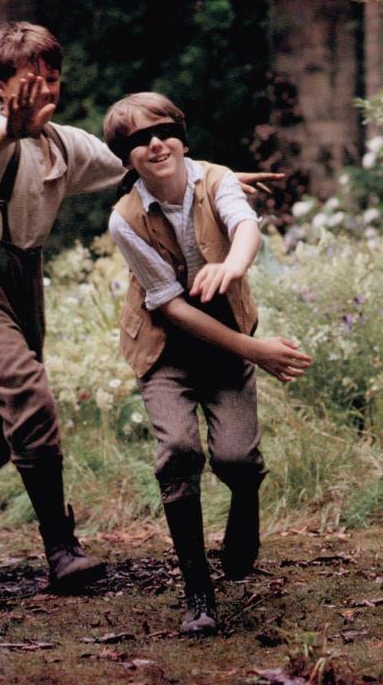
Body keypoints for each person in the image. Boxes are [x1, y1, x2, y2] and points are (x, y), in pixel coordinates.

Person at [0, 22, 280, 592]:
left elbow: (148, 163)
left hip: (24, 278)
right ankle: (61, 549)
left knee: (4, 413)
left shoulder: (66, 143)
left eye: (53, 81)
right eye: (30, 84)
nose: (45, 94)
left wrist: (218, 177)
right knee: (30, 401)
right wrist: (12, 125)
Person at [103, 92, 311, 635]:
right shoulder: (124, 220)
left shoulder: (215, 179)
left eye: (164, 130)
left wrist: (232, 269)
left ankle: (245, 504)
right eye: (136, 140)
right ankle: (197, 588)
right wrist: (257, 352)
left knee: (237, 458)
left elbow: (245, 226)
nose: (154, 143)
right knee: (178, 451)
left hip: (227, 337)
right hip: (165, 347)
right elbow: (170, 307)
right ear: (125, 159)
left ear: (182, 137)